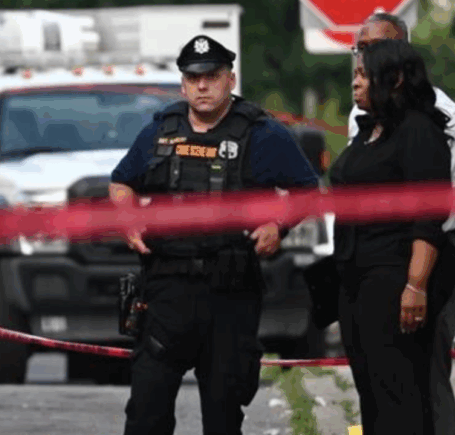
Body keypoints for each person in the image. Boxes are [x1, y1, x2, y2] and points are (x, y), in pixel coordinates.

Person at [109, 34, 320, 435]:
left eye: (212, 76)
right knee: (146, 414)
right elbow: (121, 183)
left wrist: (278, 225)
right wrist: (128, 218)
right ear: (183, 83)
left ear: (231, 79)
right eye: (193, 77)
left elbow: (306, 191)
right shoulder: (161, 129)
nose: (202, 85)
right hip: (166, 289)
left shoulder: (261, 133)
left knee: (223, 416)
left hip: (229, 293)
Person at [329, 38, 455, 435]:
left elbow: (428, 218)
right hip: (356, 279)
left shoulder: (420, 132)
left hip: (395, 278)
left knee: (399, 393)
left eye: (364, 75)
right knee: (371, 391)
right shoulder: (369, 131)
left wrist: (415, 285)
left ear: (396, 78)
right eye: (355, 75)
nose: (356, 84)